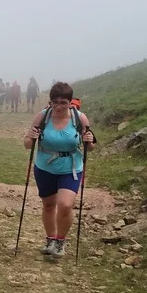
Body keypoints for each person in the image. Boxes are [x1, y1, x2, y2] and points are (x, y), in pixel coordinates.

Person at [23, 82, 95, 258]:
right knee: (48, 205)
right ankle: (50, 239)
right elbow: (27, 145)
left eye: (63, 102)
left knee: (65, 205)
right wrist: (31, 137)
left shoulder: (80, 118)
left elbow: (90, 147)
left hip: (71, 168)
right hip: (44, 167)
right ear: (51, 102)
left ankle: (60, 242)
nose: (59, 106)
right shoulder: (42, 117)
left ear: (70, 102)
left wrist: (89, 140)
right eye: (55, 102)